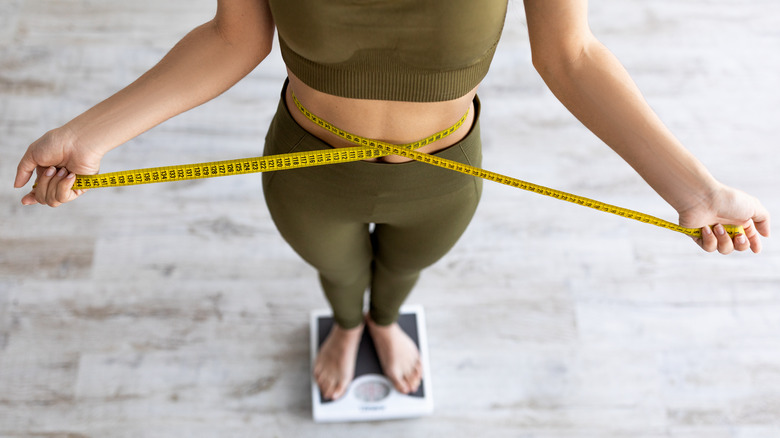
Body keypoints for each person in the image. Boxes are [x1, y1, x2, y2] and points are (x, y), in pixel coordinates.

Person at [14, 0, 770, 401]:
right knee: (336, 272)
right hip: (309, 165)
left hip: (442, 175)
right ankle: (349, 323)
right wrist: (89, 134)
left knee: (405, 271)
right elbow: (232, 38)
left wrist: (695, 189)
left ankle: (381, 320)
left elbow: (570, 55)